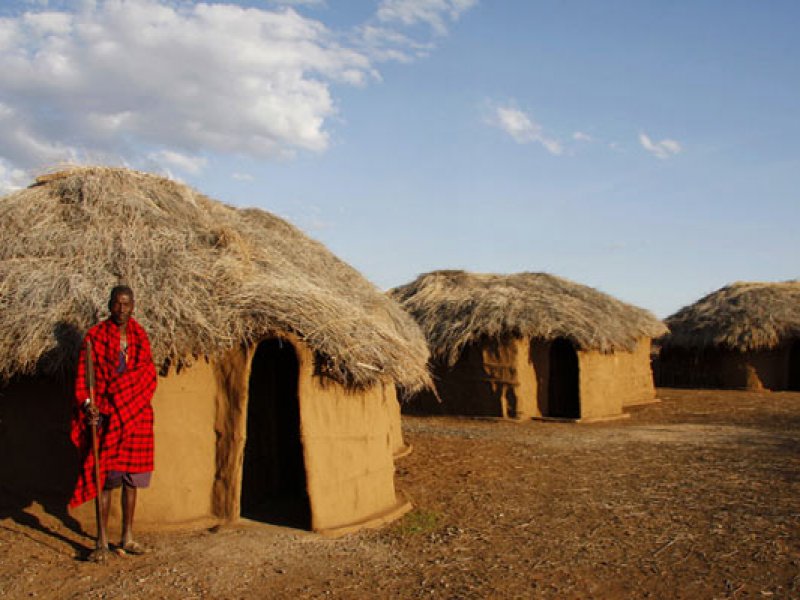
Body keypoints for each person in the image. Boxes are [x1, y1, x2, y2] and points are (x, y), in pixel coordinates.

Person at [70, 285, 158, 561]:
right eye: (117, 304)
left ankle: (128, 536)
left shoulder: (140, 337)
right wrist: (89, 405)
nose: (122, 309)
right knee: (106, 479)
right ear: (109, 305)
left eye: (126, 304)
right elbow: (85, 380)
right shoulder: (94, 337)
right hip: (108, 415)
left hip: (137, 417)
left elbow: (148, 376)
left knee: (133, 482)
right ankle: (102, 540)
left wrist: (130, 402)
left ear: (133, 306)